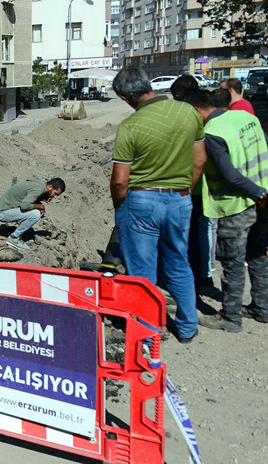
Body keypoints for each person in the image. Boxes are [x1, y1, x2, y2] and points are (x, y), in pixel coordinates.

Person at [110, 67, 206, 344]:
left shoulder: (131, 126)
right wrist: (184, 190)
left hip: (141, 201)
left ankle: (149, 334)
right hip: (180, 199)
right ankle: (188, 327)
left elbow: (119, 181)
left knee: (142, 273)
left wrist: (121, 207)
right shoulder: (188, 112)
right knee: (178, 262)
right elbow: (199, 160)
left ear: (126, 98)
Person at [181, 89, 268, 332]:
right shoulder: (247, 118)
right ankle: (262, 308)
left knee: (232, 262)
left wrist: (255, 192)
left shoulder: (213, 133)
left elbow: (229, 174)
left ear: (196, 110)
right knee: (258, 254)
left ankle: (230, 317)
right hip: (263, 196)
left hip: (237, 204)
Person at [0, 177, 66, 252]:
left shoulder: (39, 184)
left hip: (1, 207)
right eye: (55, 194)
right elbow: (25, 205)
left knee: (34, 210)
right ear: (50, 187)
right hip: (2, 213)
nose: (55, 197)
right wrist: (40, 206)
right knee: (35, 214)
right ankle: (14, 238)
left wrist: (40, 200)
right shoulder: (39, 189)